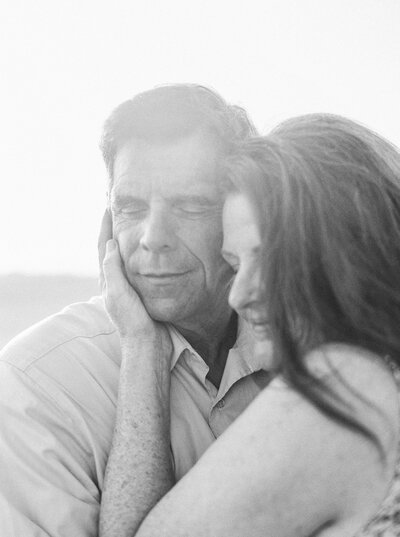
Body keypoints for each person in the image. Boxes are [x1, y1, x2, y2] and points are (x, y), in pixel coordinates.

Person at [99, 114, 400, 537]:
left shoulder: (344, 386)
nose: (239, 296)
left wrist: (141, 345)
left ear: (346, 249)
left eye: (270, 260)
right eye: (235, 265)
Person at [0, 84, 269, 536]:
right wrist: (143, 346)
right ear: (107, 221)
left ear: (241, 214)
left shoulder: (306, 343)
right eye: (130, 207)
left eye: (190, 205)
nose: (152, 237)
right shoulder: (35, 384)